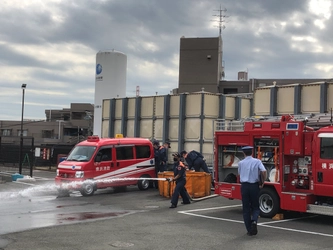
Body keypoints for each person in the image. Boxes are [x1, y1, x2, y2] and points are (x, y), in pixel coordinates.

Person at [238, 146, 267, 236]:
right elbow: (264, 171)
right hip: (254, 186)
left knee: (246, 209)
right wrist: (262, 182)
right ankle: (254, 220)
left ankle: (249, 229)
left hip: (244, 186)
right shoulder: (257, 161)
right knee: (255, 206)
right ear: (252, 152)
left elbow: (239, 174)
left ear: (244, 153)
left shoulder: (241, 163)